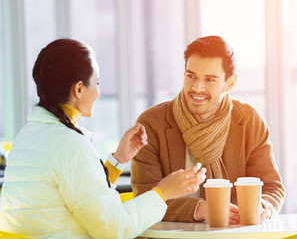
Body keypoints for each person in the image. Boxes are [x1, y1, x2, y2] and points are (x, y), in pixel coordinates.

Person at [0, 39, 206, 238]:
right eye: (96, 83)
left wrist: (118, 160)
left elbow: (79, 195)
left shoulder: (27, 136)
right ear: (79, 89)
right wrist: (163, 192)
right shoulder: (69, 144)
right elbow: (114, 229)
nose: (98, 91)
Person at [130, 36, 286, 224]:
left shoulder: (249, 121)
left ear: (229, 83)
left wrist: (261, 206)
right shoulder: (152, 124)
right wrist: (199, 209)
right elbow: (145, 198)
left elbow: (272, 187)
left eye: (210, 80)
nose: (197, 88)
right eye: (191, 76)